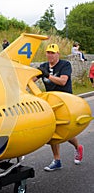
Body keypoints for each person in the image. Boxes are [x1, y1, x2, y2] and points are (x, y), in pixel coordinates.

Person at [36, 43, 84, 171]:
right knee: (53, 131)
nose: (50, 55)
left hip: (65, 102)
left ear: (58, 54)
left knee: (64, 131)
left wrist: (47, 75)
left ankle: (77, 147)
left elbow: (63, 81)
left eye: (53, 53)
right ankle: (57, 160)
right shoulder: (43, 66)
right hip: (51, 102)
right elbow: (32, 78)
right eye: (48, 52)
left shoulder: (65, 65)